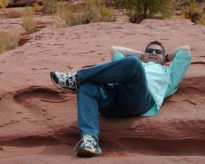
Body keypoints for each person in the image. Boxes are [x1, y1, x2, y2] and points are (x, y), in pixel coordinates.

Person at [50, 41, 191, 157]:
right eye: (149, 51)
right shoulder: (136, 64)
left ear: (164, 58)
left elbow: (185, 49)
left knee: (133, 63)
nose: (153, 53)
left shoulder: (169, 73)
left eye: (158, 52)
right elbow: (115, 49)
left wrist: (166, 57)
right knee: (87, 86)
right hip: (114, 98)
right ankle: (90, 140)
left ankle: (76, 78)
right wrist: (141, 56)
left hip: (141, 100)